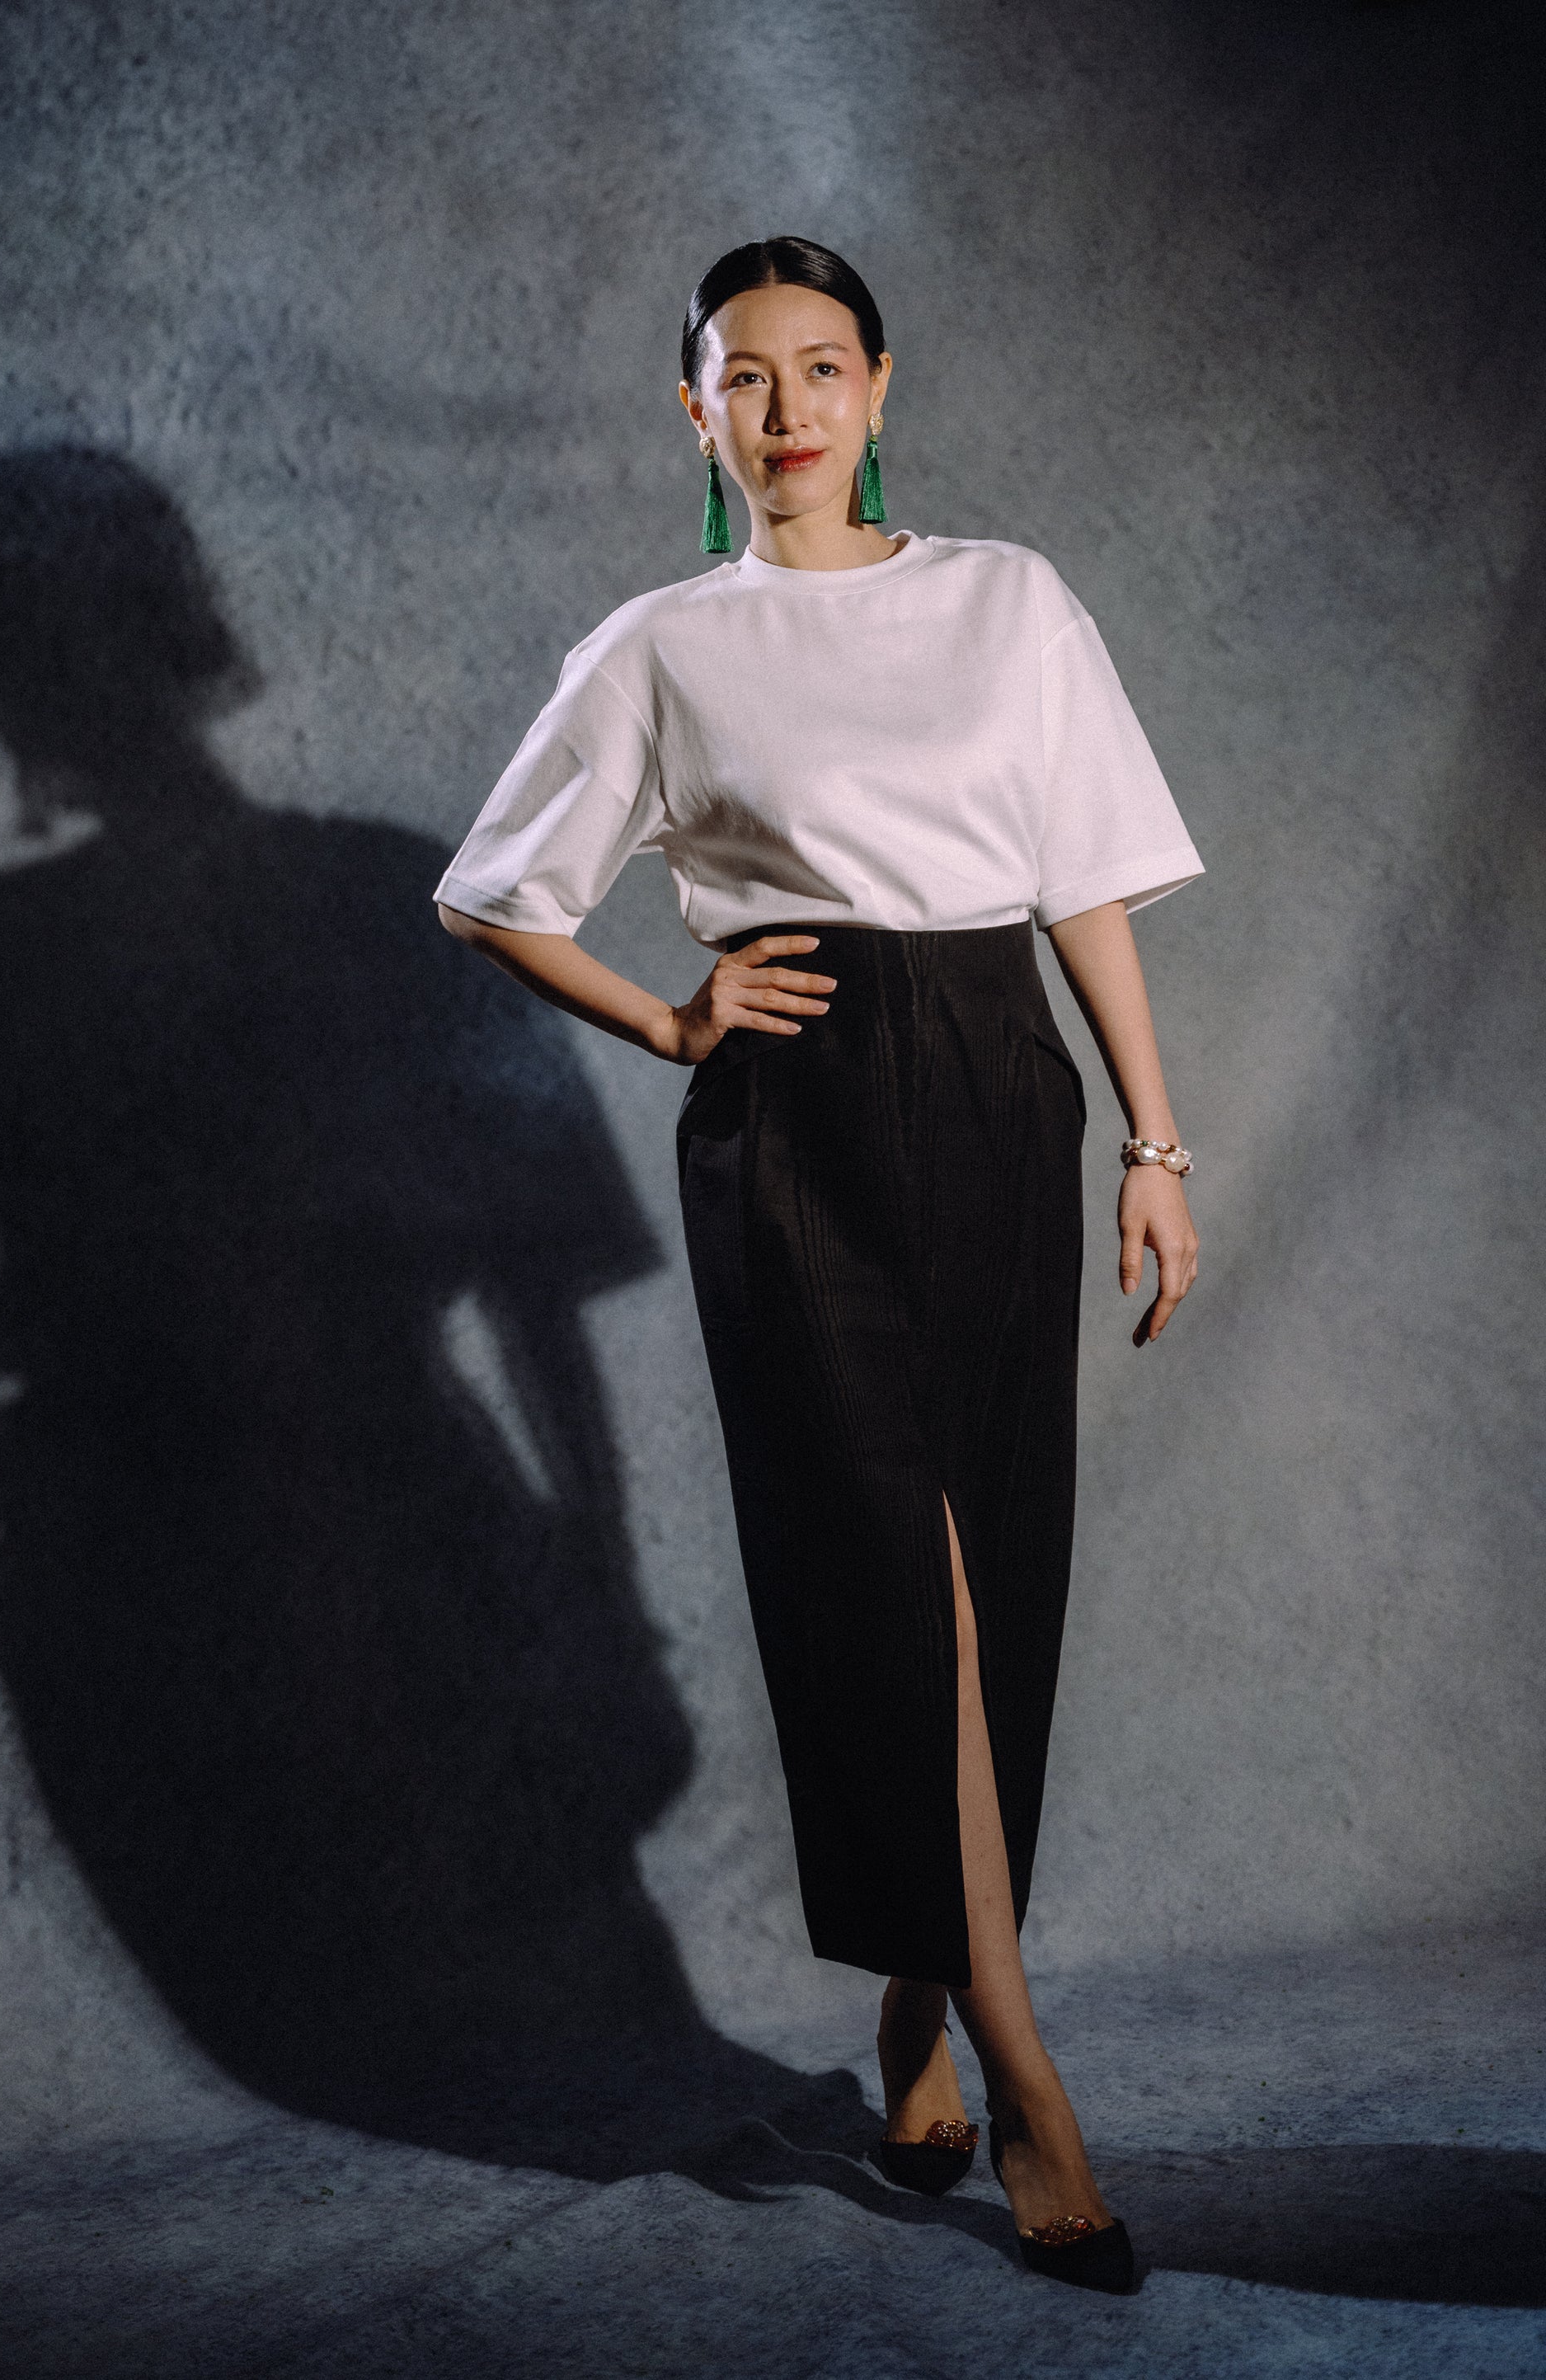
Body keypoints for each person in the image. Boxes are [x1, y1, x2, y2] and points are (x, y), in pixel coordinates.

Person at [435, 237, 1202, 2293]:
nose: (786, 408)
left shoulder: (1009, 598)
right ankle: (1021, 2066)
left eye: (823, 366)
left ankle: (915, 2000)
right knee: (887, 1580)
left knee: (996, 1565)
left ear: (880, 389)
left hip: (1001, 1095)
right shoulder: (662, 646)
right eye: (743, 375)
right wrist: (674, 1022)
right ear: (694, 411)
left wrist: (1154, 1142)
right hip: (795, 1130)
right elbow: (494, 895)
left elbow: (1084, 881)